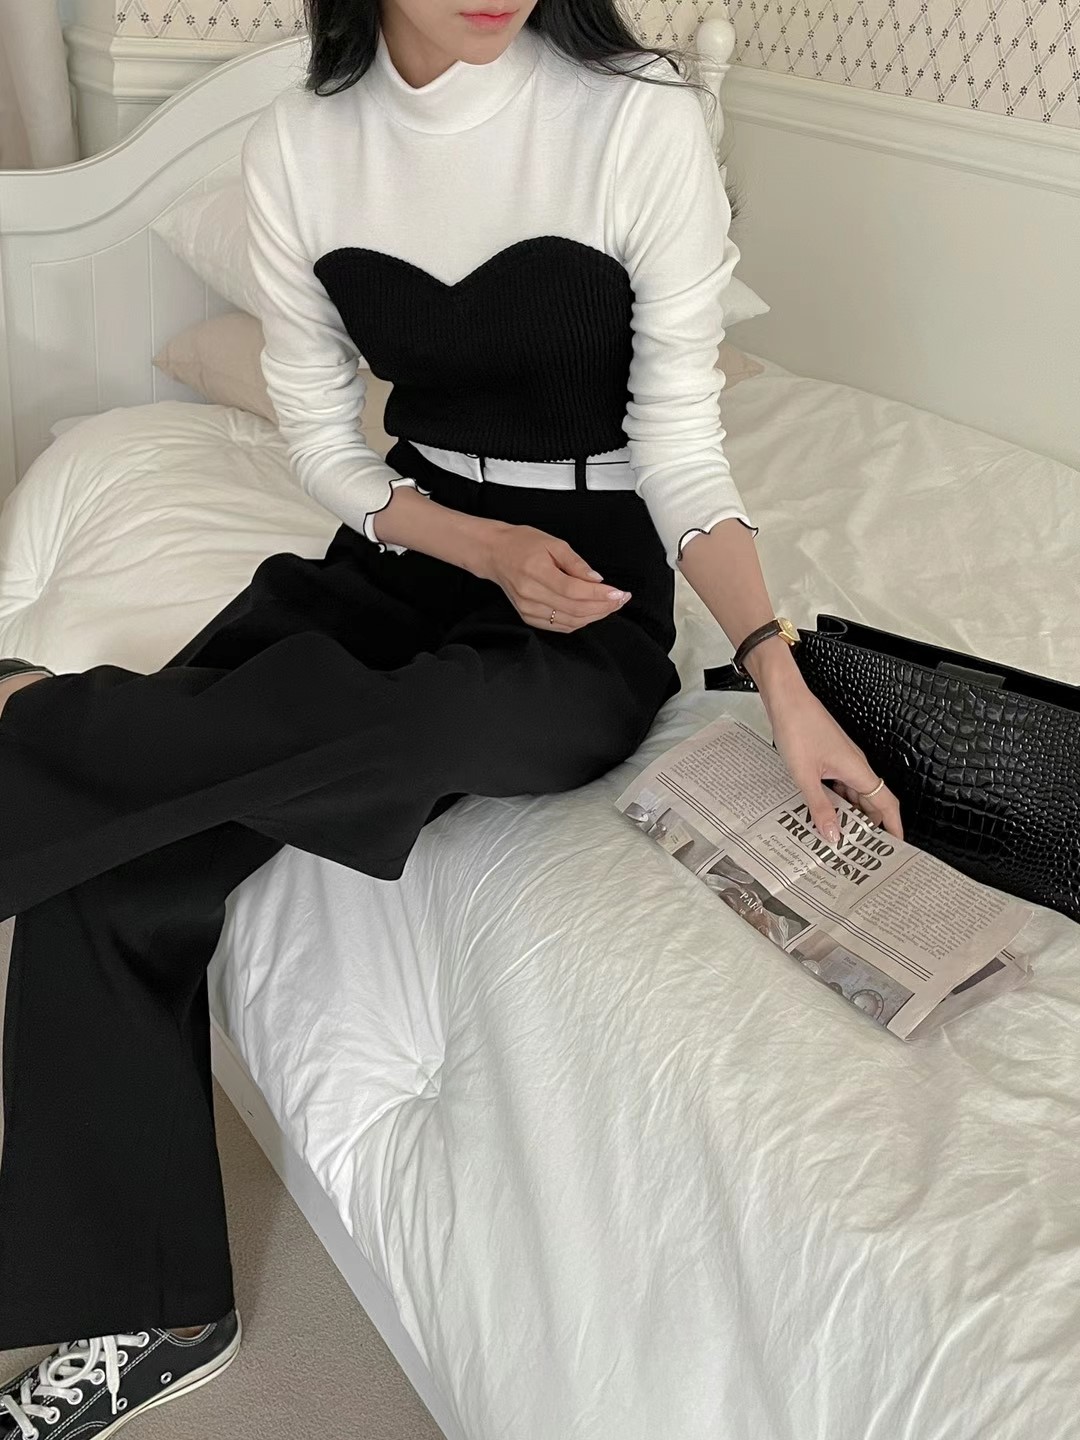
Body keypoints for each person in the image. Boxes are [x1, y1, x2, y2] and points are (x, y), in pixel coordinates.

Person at [0, 0, 904, 1432]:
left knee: (416, 729)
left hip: (595, 592)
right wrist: (475, 544)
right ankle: (149, 1308)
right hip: (410, 544)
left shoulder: (636, 118)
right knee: (121, 854)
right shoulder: (301, 146)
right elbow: (321, 441)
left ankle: (46, 722)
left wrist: (776, 669)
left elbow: (681, 448)